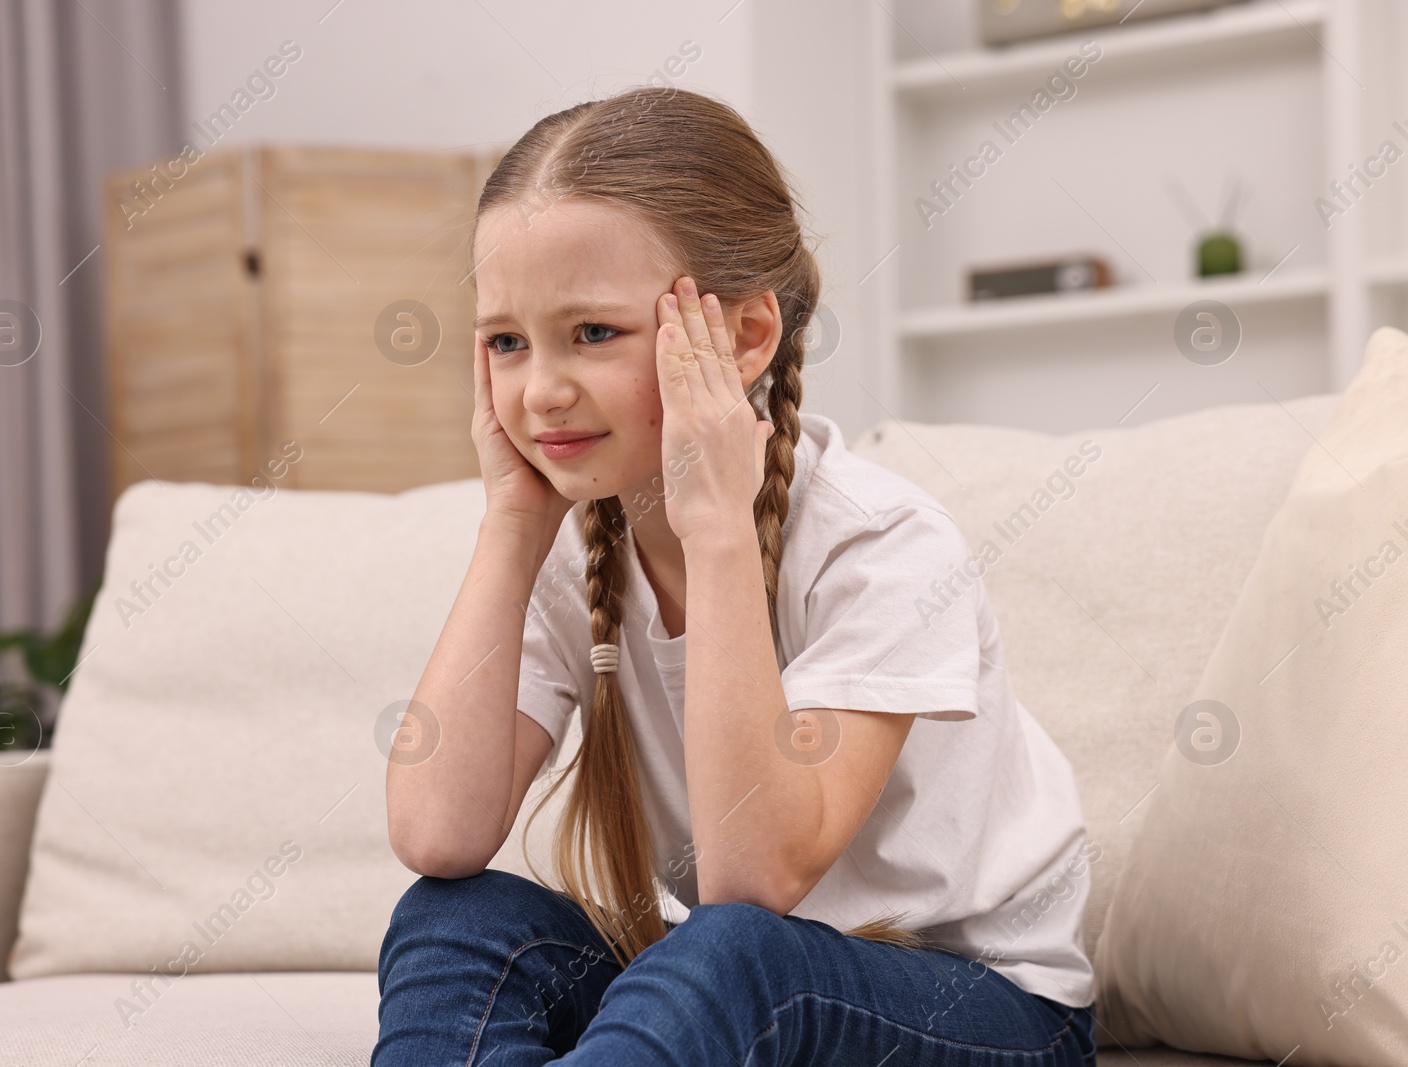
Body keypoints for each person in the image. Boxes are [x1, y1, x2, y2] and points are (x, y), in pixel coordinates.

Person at [375, 85, 1099, 1066]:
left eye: (592, 332)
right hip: (744, 962)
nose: (540, 388)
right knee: (451, 915)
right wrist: (510, 520)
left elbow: (754, 878)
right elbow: (437, 832)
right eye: (507, 341)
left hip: (984, 1004)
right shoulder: (567, 546)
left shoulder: (881, 543)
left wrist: (715, 529)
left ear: (746, 338)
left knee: (733, 951)